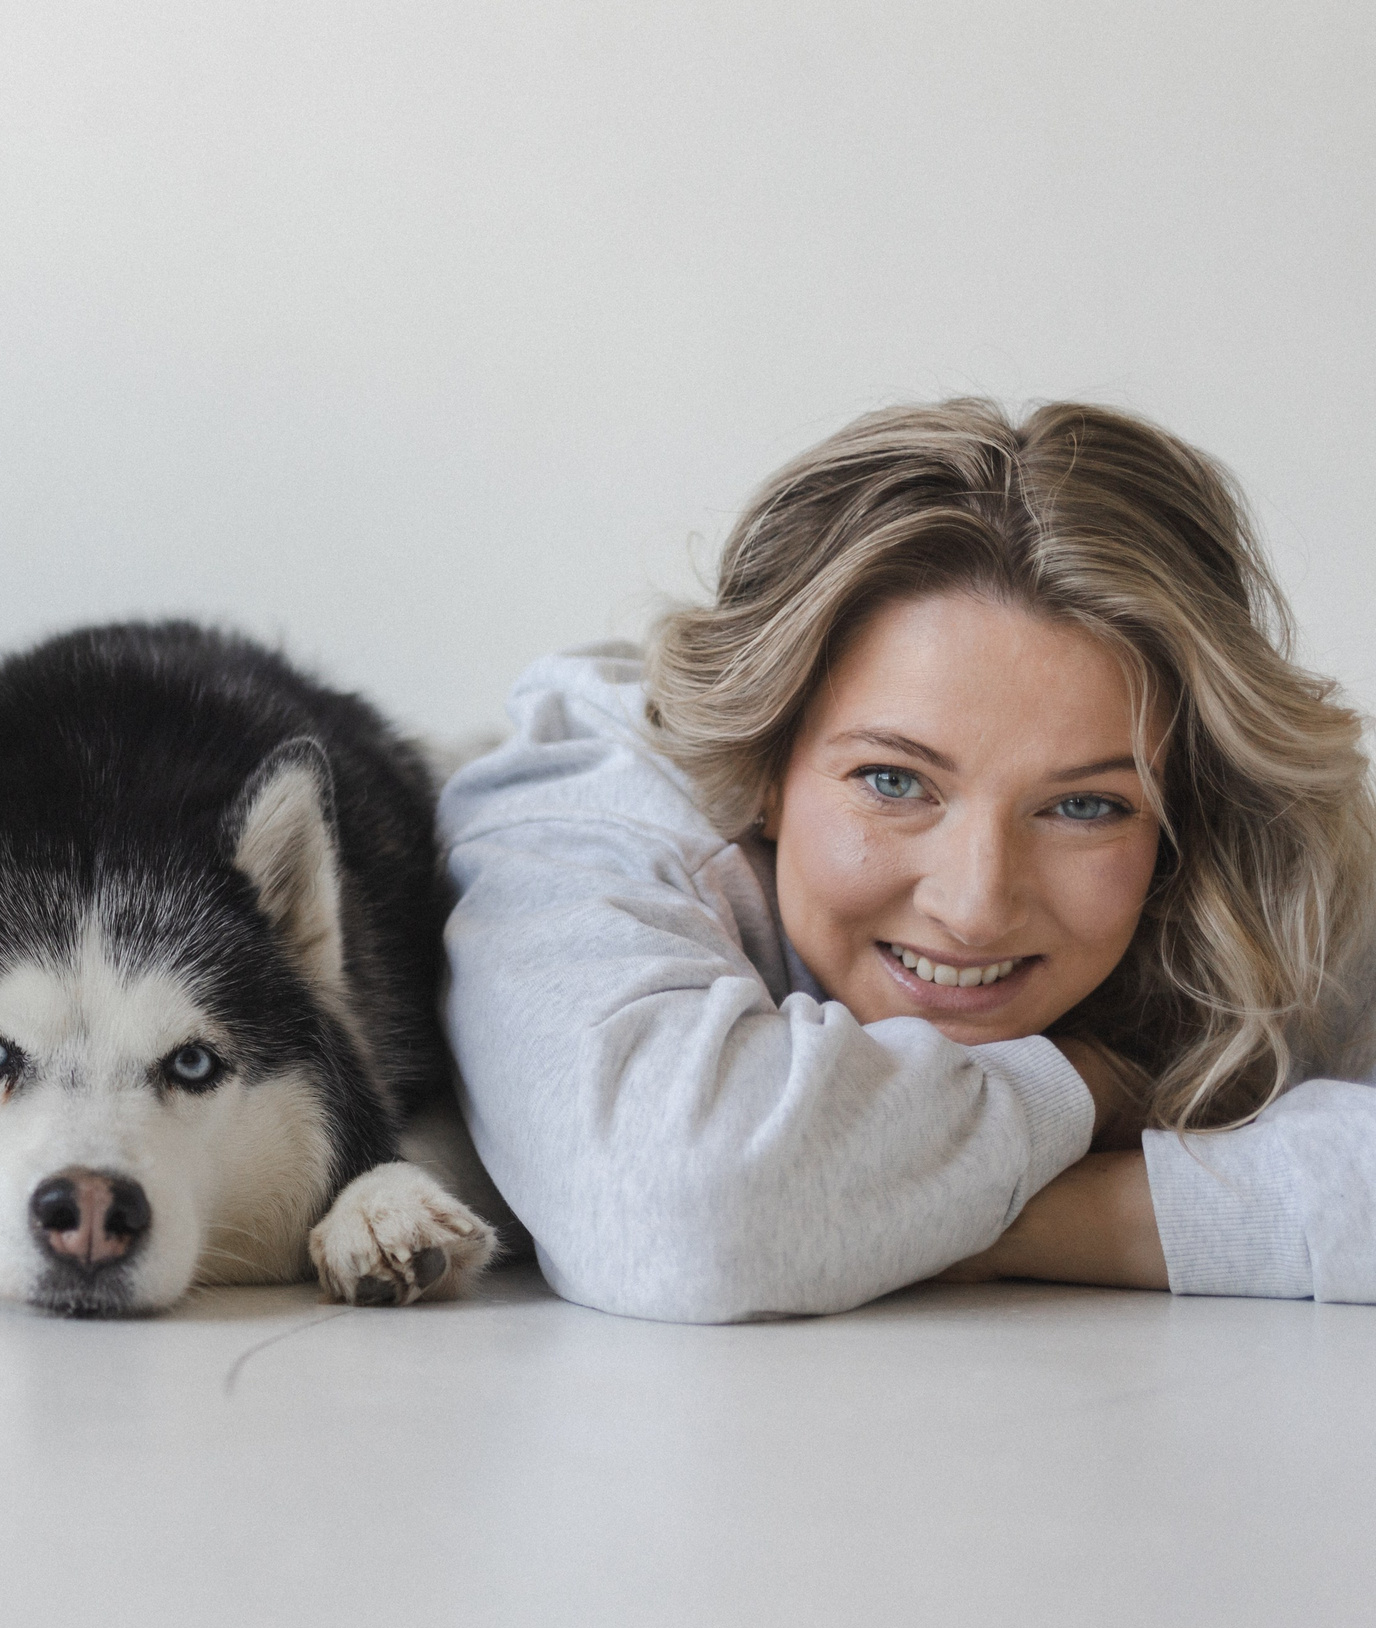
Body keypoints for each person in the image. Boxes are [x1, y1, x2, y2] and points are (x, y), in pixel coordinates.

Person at [441, 399, 1376, 1323]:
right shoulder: (589, 800)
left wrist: (1012, 1219)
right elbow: (687, 1207)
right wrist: (1086, 1081)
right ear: (761, 761)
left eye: (1086, 806)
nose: (974, 907)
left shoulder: (1261, 868)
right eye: (894, 781)